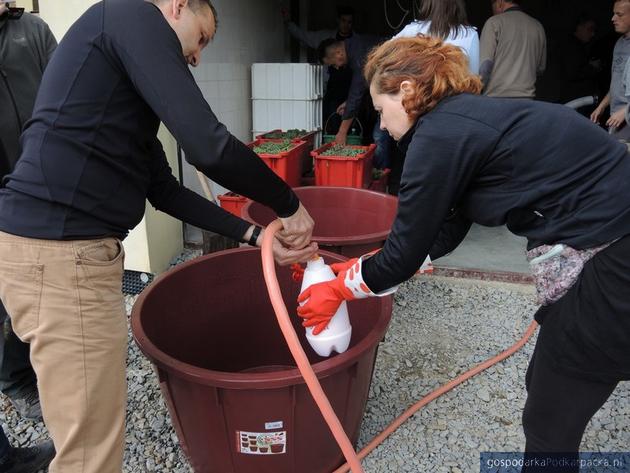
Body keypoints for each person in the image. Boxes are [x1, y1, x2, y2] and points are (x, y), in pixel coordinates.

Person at [0, 0, 317, 472]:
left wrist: (256, 234)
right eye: (202, 38)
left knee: (87, 437)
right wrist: (289, 205)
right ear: (176, 6)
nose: (197, 56)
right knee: (91, 455)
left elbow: (165, 190)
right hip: (62, 258)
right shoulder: (132, 17)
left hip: (49, 251)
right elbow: (209, 146)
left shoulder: (118, 84)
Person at [297, 36, 630, 472]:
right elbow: (444, 232)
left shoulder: (437, 136)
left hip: (613, 250)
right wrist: (367, 267)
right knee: (553, 384)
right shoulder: (464, 121)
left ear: (408, 92)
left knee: (551, 414)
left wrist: (340, 288)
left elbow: (403, 255)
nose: (383, 124)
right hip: (610, 239)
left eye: (382, 110)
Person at [0, 0, 56, 421]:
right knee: (6, 296)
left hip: (42, 184)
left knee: (44, 283)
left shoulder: (31, 31)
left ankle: (47, 366)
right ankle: (18, 383)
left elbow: (66, 88)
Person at [480, 0, 546, 98]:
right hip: (527, 100)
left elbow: (485, 66)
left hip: (496, 99)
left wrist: (475, 92)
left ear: (500, 2)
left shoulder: (494, 22)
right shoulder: (537, 26)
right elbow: (541, 68)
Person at [393, 0, 479, 74]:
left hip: (419, 90)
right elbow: (474, 75)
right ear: (459, 4)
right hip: (457, 91)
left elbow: (384, 57)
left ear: (428, 4)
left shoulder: (411, 30)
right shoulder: (470, 34)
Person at [591, 0, 630, 140]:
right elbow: (616, 83)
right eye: (614, 14)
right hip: (615, 118)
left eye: (619, 14)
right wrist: (601, 106)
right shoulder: (619, 43)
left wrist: (625, 111)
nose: (613, 19)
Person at [282, 5, 354, 51]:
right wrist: (288, 22)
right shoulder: (325, 37)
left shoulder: (358, 41)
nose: (346, 25)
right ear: (338, 20)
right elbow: (304, 35)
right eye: (343, 21)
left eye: (349, 22)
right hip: (330, 74)